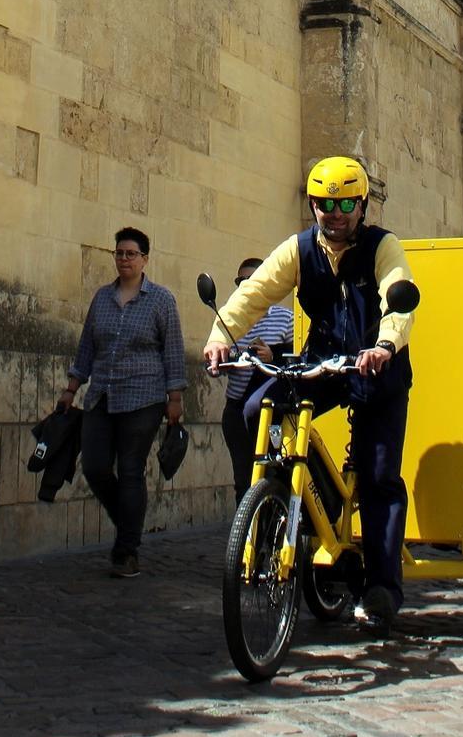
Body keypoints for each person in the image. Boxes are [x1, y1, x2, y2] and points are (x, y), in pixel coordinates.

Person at [202, 156, 415, 628]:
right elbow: (254, 294)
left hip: (377, 367)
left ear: (361, 205)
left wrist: (385, 344)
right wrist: (220, 337)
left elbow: (398, 293)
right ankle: (308, 497)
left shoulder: (383, 246)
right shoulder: (299, 251)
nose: (334, 213)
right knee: (260, 408)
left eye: (344, 203)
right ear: (313, 205)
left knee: (379, 475)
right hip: (324, 363)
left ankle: (382, 586)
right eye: (324, 203)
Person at [61, 227, 185, 579]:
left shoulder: (161, 300)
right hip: (102, 394)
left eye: (131, 254)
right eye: (119, 253)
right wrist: (71, 388)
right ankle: (130, 524)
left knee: (130, 470)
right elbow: (87, 346)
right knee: (95, 468)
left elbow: (173, 351)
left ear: (145, 259)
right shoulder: (102, 298)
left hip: (143, 397)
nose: (124, 259)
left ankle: (126, 550)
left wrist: (174, 398)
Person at [220, 258, 294, 502]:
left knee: (272, 472)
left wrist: (272, 355)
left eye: (251, 280)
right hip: (236, 408)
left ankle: (271, 529)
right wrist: (224, 358)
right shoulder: (231, 320)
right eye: (240, 281)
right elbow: (215, 361)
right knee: (243, 477)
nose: (245, 285)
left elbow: (298, 359)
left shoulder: (286, 318)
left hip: (271, 412)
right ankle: (246, 534)